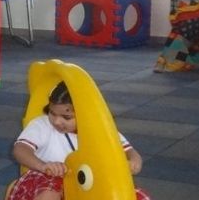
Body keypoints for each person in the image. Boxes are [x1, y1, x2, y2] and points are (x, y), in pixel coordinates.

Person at [9, 81, 151, 200]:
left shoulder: (100, 130)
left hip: (89, 181)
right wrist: (43, 165)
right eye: (52, 113)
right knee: (49, 194)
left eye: (66, 117)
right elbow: (20, 150)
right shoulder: (43, 125)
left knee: (135, 196)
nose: (57, 121)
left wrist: (134, 161)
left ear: (85, 114)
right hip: (48, 176)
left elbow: (129, 151)